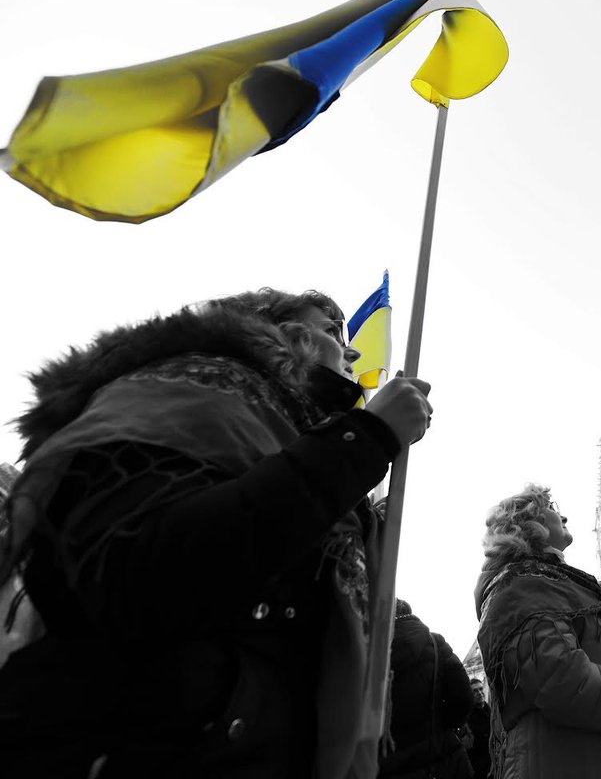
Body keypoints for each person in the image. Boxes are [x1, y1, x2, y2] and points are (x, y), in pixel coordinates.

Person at [0, 289, 433, 779]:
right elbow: (142, 577)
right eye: (332, 330)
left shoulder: (294, 436)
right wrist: (365, 439)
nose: (352, 352)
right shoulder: (189, 388)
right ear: (280, 330)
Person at [474, 485, 601, 779]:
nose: (563, 514)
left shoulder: (567, 583)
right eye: (552, 505)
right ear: (532, 522)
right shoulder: (520, 589)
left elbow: (598, 656)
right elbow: (568, 685)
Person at [379, 600, 473, 779]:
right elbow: (463, 698)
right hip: (441, 760)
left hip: (388, 765)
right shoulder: (436, 644)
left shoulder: (371, 651)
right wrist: (441, 723)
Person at [462, 678, 492, 779]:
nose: (479, 693)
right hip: (478, 770)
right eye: (475, 691)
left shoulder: (492, 713)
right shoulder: (466, 719)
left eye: (480, 689)